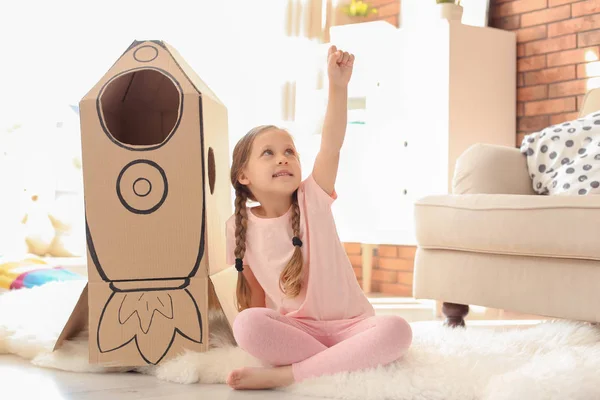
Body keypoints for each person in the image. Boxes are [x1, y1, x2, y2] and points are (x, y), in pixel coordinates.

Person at [224, 45, 412, 390]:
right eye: (269, 153)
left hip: (352, 326)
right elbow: (253, 294)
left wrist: (338, 86)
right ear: (243, 175)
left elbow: (331, 145)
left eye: (289, 152)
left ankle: (291, 374)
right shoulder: (238, 227)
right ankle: (342, 361)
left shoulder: (313, 197)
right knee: (247, 324)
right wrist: (257, 340)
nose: (283, 159)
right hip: (300, 331)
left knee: (397, 330)